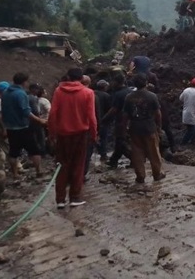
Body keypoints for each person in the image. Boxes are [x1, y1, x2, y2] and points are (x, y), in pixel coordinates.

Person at [48, 67, 97, 208]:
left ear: (68, 77)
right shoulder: (88, 92)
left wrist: (52, 134)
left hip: (62, 135)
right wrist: (94, 134)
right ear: (81, 78)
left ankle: (60, 200)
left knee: (62, 166)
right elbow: (91, 117)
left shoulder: (58, 91)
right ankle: (75, 197)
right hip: (81, 134)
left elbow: (52, 114)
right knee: (78, 166)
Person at [122, 73, 165, 184]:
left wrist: (125, 128)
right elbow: (158, 113)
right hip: (149, 127)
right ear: (146, 83)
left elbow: (125, 115)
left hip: (135, 128)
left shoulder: (129, 97)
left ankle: (140, 176)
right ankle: (157, 174)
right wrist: (159, 127)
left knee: (137, 153)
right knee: (154, 152)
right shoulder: (152, 96)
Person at [2, 72, 45, 178]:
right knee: (34, 150)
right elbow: (26, 112)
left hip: (11, 128)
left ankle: (15, 174)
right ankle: (39, 171)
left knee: (13, 152)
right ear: (24, 82)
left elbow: (4, 111)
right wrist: (39, 121)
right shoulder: (21, 94)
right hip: (23, 127)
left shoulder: (6, 93)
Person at [102, 75, 134, 168]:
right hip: (131, 120)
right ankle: (114, 160)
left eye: (113, 82)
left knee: (121, 141)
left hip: (121, 121)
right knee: (121, 141)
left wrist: (105, 118)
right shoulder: (130, 91)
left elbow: (114, 109)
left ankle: (134, 158)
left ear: (116, 82)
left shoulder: (118, 94)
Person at [93, 80, 111, 161]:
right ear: (105, 87)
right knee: (103, 138)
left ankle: (89, 155)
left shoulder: (92, 93)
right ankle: (103, 155)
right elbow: (109, 109)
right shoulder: (106, 96)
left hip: (92, 119)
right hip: (103, 119)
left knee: (92, 137)